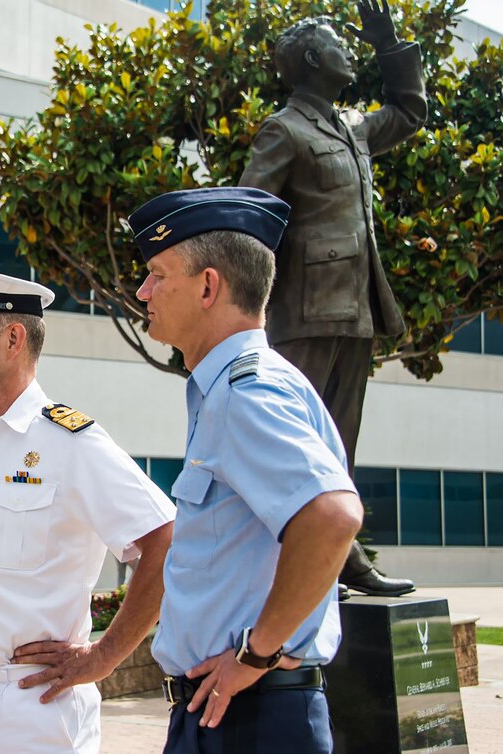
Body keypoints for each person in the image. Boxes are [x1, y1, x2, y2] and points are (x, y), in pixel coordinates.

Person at [128, 187, 365, 753]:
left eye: (158, 274)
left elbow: (332, 516)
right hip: (234, 710)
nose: (142, 292)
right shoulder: (242, 385)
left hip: (251, 716)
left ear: (209, 286)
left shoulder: (245, 392)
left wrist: (256, 654)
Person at [0, 265, 175, 754]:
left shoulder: (72, 443)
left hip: (29, 710)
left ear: (12, 338)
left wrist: (104, 657)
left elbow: (165, 540)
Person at [238, 0, 425, 596]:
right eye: (340, 44)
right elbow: (248, 218)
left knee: (338, 444)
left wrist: (386, 38)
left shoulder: (352, 127)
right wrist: (249, 311)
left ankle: (340, 561)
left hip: (356, 308)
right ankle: (281, 570)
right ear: (314, 60)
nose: (351, 52)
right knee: (296, 446)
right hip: (303, 313)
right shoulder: (284, 129)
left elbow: (410, 109)